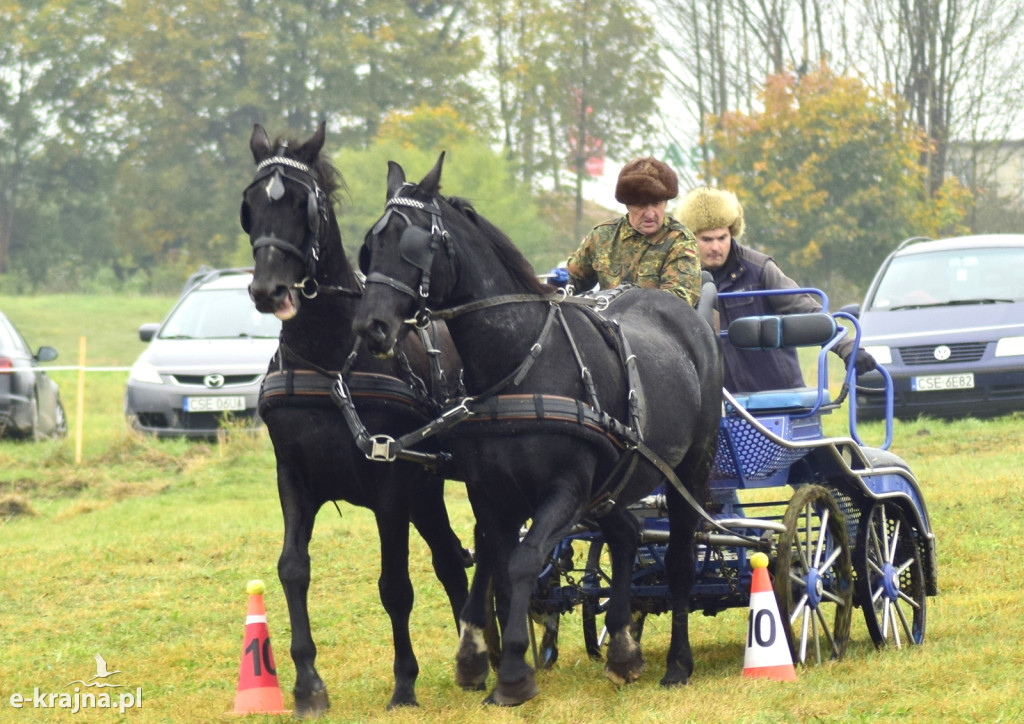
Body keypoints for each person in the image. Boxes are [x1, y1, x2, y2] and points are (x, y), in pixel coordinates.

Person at [675, 186, 876, 393]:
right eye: (707, 240)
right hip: (718, 402)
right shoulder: (680, 280)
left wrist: (849, 349)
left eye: (722, 238)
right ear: (691, 237)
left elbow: (808, 311)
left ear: (732, 232)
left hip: (778, 394)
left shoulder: (760, 269)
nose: (716, 247)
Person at [555, 158, 702, 306]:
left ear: (665, 203)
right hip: (606, 324)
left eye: (656, 204)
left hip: (656, 325)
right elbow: (573, 282)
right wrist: (558, 283)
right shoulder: (602, 237)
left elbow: (676, 302)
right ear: (627, 205)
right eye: (641, 205)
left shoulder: (679, 240)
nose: (650, 214)